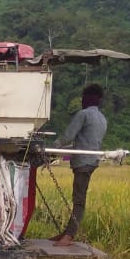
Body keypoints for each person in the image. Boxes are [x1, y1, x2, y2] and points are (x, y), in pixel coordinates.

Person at [52, 83, 107, 246]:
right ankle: (66, 232)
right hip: (92, 161)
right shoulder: (102, 118)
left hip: (83, 162)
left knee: (79, 200)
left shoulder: (83, 115)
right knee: (78, 197)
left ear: (86, 99)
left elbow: (68, 136)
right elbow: (85, 143)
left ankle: (69, 236)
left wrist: (55, 145)